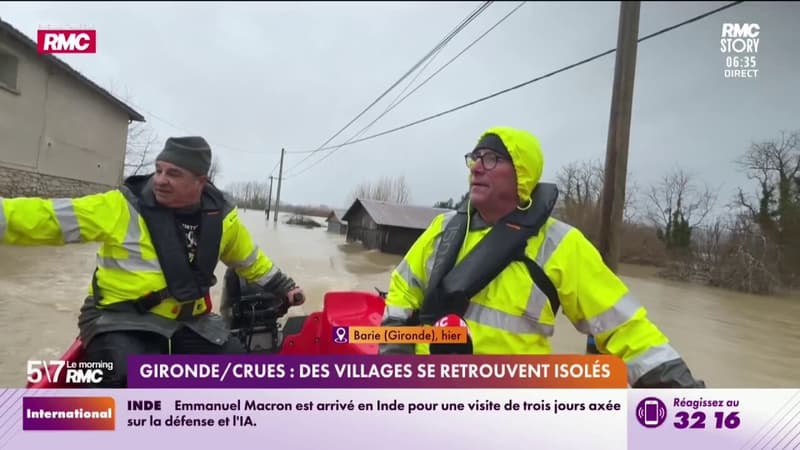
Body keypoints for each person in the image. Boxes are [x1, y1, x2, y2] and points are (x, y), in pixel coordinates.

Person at [380, 126, 705, 388]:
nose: (477, 166)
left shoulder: (561, 244)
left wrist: (685, 402)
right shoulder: (444, 229)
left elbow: (624, 329)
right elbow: (402, 292)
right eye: (474, 157)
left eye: (492, 158)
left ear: (522, 174)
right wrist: (395, 358)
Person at [0, 136, 305, 387]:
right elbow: (46, 218)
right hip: (120, 320)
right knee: (117, 375)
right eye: (159, 170)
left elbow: (250, 260)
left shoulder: (223, 218)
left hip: (190, 323)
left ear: (200, 181)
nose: (160, 180)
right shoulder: (120, 206)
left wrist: (285, 286)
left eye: (173, 174)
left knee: (240, 370)